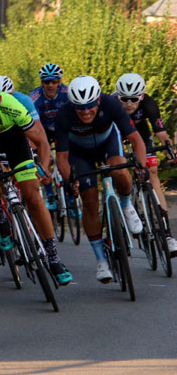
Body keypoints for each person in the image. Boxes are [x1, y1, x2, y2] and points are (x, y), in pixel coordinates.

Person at [0, 75, 73, 286]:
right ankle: (0, 216)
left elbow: (41, 142)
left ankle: (54, 258)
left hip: (13, 139)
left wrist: (44, 167)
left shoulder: (12, 106)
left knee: (34, 198)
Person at [54, 76, 147, 283]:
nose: (85, 111)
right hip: (79, 153)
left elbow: (135, 139)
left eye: (89, 106)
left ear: (97, 101)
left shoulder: (110, 104)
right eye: (80, 108)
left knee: (119, 170)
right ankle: (101, 260)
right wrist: (70, 181)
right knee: (89, 200)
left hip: (108, 144)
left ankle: (126, 205)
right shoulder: (64, 115)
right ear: (72, 105)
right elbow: (62, 158)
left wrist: (142, 166)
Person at [114, 73, 177, 255]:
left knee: (152, 171)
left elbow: (161, 132)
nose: (128, 103)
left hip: (140, 133)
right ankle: (120, 227)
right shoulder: (111, 105)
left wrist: (168, 149)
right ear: (118, 96)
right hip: (117, 133)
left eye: (134, 99)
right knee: (118, 174)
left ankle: (167, 234)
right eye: (124, 98)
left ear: (141, 96)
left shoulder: (149, 104)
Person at [30, 64, 71, 211]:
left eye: (54, 81)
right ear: (42, 83)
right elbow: (34, 126)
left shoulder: (67, 93)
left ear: (59, 82)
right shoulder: (35, 98)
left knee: (67, 160)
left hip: (63, 128)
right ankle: (50, 194)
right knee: (43, 159)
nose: (51, 85)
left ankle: (70, 195)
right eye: (47, 82)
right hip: (43, 130)